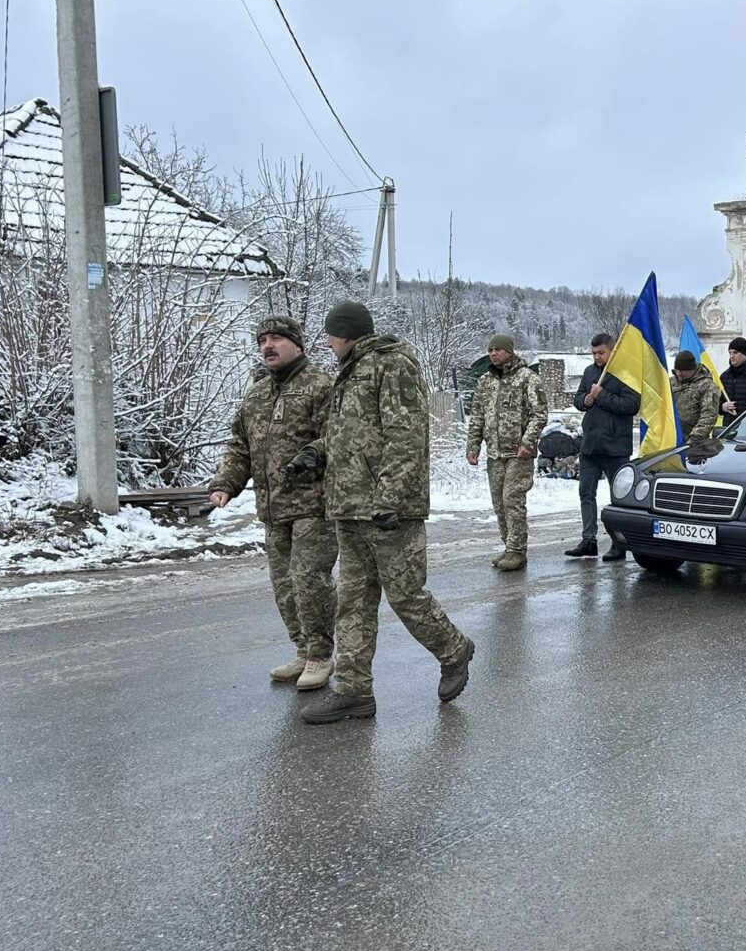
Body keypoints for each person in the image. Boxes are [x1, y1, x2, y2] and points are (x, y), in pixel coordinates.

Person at [287, 300, 475, 724]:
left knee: (406, 595)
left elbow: (405, 434)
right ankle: (353, 693)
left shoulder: (392, 365)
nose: (327, 341)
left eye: (330, 333)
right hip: (350, 508)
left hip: (389, 510)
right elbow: (350, 436)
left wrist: (389, 496)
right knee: (352, 602)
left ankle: (454, 649)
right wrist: (313, 453)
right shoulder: (350, 371)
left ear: (347, 332)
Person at [209, 315, 336, 691]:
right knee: (283, 584)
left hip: (314, 504)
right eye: (263, 339)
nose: (268, 346)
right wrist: (227, 482)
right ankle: (302, 648)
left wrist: (311, 458)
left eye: (277, 338)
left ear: (296, 344)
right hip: (273, 507)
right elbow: (240, 445)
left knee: (309, 579)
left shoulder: (320, 386)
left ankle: (320, 654)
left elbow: (339, 439)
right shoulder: (257, 393)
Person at [466, 334, 548, 572]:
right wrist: (473, 446)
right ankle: (508, 545)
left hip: (518, 454)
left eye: (498, 349)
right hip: (495, 454)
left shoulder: (527, 379)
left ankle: (516, 551)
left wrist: (528, 442)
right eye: (490, 350)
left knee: (512, 500)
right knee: (499, 504)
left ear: (509, 352)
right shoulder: (485, 381)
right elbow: (477, 417)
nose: (493, 353)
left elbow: (539, 413)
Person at [566, 333, 639, 561]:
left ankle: (619, 543)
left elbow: (631, 405)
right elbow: (578, 398)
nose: (597, 357)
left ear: (611, 351)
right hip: (590, 445)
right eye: (594, 353)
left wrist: (602, 395)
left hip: (615, 447)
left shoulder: (626, 373)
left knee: (618, 497)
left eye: (601, 353)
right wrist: (584, 400)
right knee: (585, 492)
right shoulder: (589, 372)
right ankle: (589, 539)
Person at [670, 350, 720, 443]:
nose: (679, 373)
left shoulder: (706, 386)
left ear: (693, 369)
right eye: (677, 370)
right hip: (671, 438)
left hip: (694, 442)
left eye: (684, 371)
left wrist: (695, 437)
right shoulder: (671, 382)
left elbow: (709, 415)